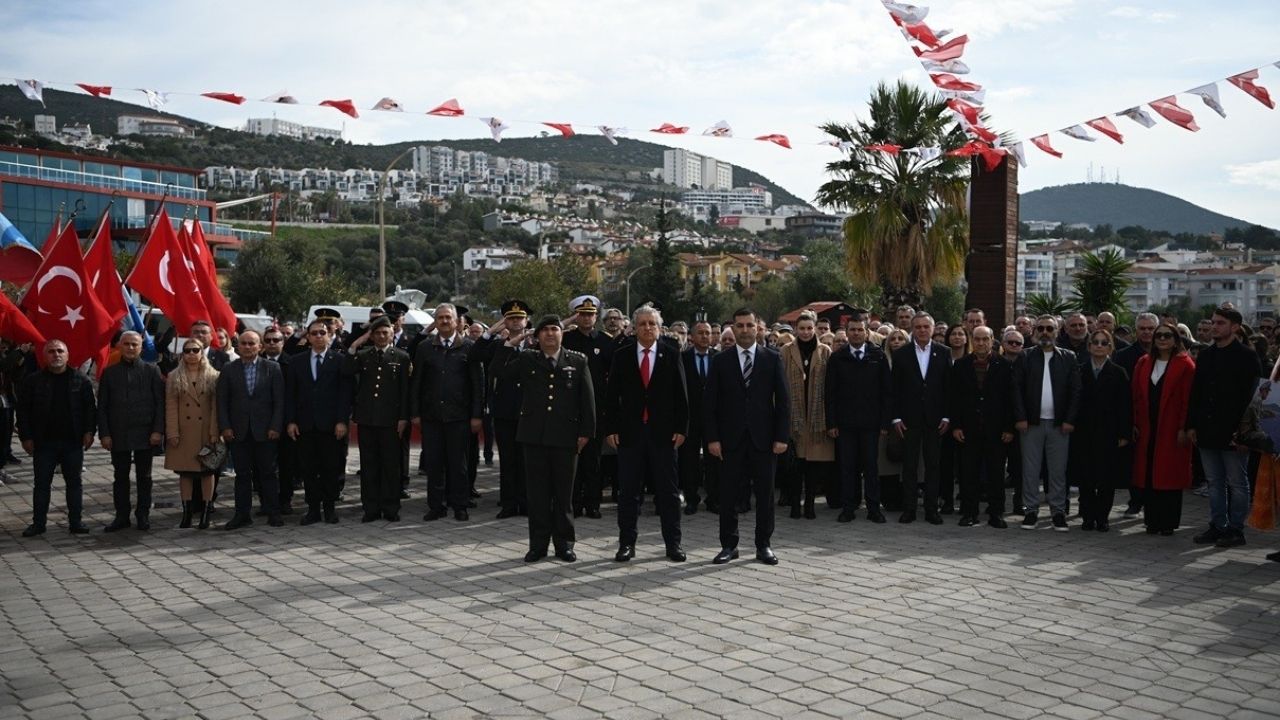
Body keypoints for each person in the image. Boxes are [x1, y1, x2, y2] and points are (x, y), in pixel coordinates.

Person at [495, 315, 596, 562]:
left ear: (562, 334)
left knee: (563, 496)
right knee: (537, 495)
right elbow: (499, 372)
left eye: (555, 329)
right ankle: (538, 545)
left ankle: (565, 545)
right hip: (534, 436)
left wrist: (586, 433)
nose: (550, 334)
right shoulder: (528, 358)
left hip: (565, 437)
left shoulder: (578, 360)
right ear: (537, 336)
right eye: (545, 330)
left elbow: (587, 400)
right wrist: (513, 342)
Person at [604, 305, 689, 562]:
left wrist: (681, 429)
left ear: (659, 327)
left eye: (652, 324)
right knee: (629, 492)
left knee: (668, 492)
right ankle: (626, 544)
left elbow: (681, 397)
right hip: (630, 435)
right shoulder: (622, 355)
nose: (647, 328)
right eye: (642, 324)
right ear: (634, 327)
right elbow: (611, 397)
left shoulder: (671, 354)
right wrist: (611, 429)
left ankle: (673, 545)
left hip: (663, 435)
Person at [706, 308, 790, 565]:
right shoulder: (721, 360)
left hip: (763, 439)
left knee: (765, 495)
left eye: (749, 325)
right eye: (740, 325)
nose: (744, 330)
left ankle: (763, 545)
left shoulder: (772, 358)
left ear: (757, 328)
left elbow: (783, 401)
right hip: (730, 440)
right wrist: (712, 438)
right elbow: (710, 404)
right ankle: (729, 546)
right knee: (729, 495)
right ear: (734, 328)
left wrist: (781, 436)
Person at [1189, 307, 1262, 548]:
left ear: (1235, 327)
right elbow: (1196, 393)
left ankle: (1236, 529)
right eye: (1213, 322)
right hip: (1207, 430)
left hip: (1235, 432)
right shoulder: (1207, 356)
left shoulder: (1247, 357)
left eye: (1220, 323)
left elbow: (1253, 399)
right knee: (1214, 481)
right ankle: (1217, 524)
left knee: (1237, 482)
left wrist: (1245, 433)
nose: (1214, 327)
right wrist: (1191, 425)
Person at [17, 340, 98, 537]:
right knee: (42, 484)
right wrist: (25, 437)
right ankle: (38, 523)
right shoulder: (33, 380)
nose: (56, 355)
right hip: (44, 442)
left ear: (67, 355)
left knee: (74, 483)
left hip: (72, 442)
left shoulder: (81, 380)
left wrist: (89, 432)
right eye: (52, 352)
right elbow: (23, 411)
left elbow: (90, 410)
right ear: (45, 356)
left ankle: (76, 522)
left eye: (60, 351)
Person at [411, 303, 483, 521]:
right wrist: (415, 412)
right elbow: (417, 383)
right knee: (434, 463)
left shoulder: (469, 347)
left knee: (458, 464)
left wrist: (477, 415)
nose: (444, 321)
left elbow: (478, 384)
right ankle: (436, 505)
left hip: (459, 416)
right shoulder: (425, 347)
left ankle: (459, 504)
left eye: (447, 318)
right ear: (436, 321)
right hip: (432, 416)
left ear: (456, 321)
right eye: (440, 318)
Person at [1012, 315, 1081, 531]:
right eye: (1040, 328)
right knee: (1030, 471)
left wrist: (1070, 420)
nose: (1045, 332)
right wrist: (1021, 418)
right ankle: (1031, 511)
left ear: (1057, 331)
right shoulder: (1025, 357)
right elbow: (1016, 390)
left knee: (1058, 471)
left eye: (1049, 328)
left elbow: (1076, 391)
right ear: (1034, 331)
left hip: (1059, 425)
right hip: (1031, 424)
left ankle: (1058, 512)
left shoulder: (1069, 357)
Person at [96, 331, 165, 532]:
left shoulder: (152, 371)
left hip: (145, 433)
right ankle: (121, 515)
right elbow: (102, 407)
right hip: (118, 434)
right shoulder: (109, 373)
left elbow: (160, 404)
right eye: (126, 344)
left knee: (145, 477)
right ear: (119, 346)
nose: (130, 348)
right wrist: (105, 433)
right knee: (120, 476)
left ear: (141, 347)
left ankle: (142, 514)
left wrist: (158, 431)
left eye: (134, 344)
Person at [216, 330, 285, 530]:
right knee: (242, 475)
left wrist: (275, 426)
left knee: (268, 474)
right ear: (238, 346)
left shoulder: (273, 368)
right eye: (244, 343)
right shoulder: (229, 369)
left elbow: (279, 401)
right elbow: (222, 401)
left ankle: (273, 512)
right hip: (238, 431)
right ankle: (242, 514)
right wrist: (225, 426)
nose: (247, 347)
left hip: (265, 431)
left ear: (260, 347)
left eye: (251, 344)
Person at [286, 319, 352, 525]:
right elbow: (290, 394)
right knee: (309, 469)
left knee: (330, 468)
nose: (318, 336)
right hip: (305, 425)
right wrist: (291, 421)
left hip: (331, 426)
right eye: (313, 333)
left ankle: (330, 509)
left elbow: (345, 394)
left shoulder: (339, 360)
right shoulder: (297, 361)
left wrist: (342, 421)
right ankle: (313, 509)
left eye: (322, 333)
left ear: (329, 335)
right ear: (307, 336)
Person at [1132, 322, 1196, 535]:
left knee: (1169, 475)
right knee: (1149, 473)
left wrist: (1184, 428)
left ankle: (1167, 523)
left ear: (1176, 339)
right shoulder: (1143, 362)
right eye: (1158, 335)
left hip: (1171, 429)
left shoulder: (1185, 365)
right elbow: (1135, 395)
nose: (1161, 339)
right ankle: (1152, 521)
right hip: (1147, 427)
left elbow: (1189, 400)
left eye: (1167, 335)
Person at [346, 315, 411, 522]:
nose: (382, 336)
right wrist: (355, 344)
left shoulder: (401, 357)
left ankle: (391, 507)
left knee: (391, 466)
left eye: (386, 332)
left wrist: (403, 418)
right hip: (367, 419)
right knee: (369, 465)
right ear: (372, 336)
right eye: (378, 333)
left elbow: (404, 391)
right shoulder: (364, 355)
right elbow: (346, 371)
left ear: (392, 334)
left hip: (391, 421)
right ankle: (371, 508)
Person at [825, 316, 891, 524]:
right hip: (845, 424)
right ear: (847, 331)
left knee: (871, 467)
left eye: (859, 330)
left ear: (866, 332)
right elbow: (830, 393)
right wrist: (832, 423)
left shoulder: (878, 356)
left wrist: (884, 423)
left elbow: (886, 393)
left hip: (871, 423)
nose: (856, 333)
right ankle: (848, 507)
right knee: (847, 467)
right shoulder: (837, 358)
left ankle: (873, 509)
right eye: (852, 330)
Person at [949, 326, 1015, 528]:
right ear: (971, 340)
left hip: (996, 430)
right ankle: (969, 513)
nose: (981, 343)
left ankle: (996, 514)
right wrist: (956, 426)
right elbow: (954, 400)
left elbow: (1010, 399)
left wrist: (1008, 428)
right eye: (977, 339)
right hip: (968, 429)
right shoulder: (960, 365)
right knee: (969, 474)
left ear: (992, 340)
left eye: (985, 339)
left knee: (996, 474)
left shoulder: (1004, 365)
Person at [890, 313, 950, 524]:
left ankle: (932, 509)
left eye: (926, 327)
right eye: (918, 327)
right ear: (912, 330)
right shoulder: (901, 354)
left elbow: (947, 388)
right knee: (910, 466)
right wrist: (896, 418)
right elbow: (894, 389)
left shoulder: (944, 353)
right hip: (909, 419)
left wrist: (946, 415)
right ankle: (910, 509)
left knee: (933, 466)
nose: (922, 330)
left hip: (935, 419)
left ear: (933, 329)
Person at [1070, 329, 1132, 532]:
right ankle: (1087, 516)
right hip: (1083, 432)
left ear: (1110, 347)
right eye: (1095, 342)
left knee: (1107, 478)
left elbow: (1125, 406)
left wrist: (1124, 433)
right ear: (1089, 347)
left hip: (1109, 432)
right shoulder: (1079, 370)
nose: (1099, 345)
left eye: (1104, 342)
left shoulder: (1119, 372)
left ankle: (1102, 517)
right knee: (1086, 476)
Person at [561, 294, 617, 518]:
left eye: (590, 314)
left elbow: (614, 375)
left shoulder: (605, 341)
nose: (586, 318)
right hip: (570, 406)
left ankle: (593, 503)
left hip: (596, 406)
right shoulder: (567, 339)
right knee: (573, 458)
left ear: (596, 317)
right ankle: (573, 502)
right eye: (582, 314)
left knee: (593, 459)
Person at [477, 300, 533, 519]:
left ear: (527, 321)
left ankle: (527, 502)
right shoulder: (498, 345)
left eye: (520, 318)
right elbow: (476, 355)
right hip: (505, 411)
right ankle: (509, 503)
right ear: (504, 322)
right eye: (510, 318)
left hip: (530, 411)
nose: (516, 322)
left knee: (527, 461)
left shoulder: (535, 343)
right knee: (508, 460)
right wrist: (490, 332)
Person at [781, 311, 835, 519]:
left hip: (816, 415)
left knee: (813, 465)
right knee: (796, 465)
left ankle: (810, 504)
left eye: (809, 328)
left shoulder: (825, 351)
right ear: (796, 329)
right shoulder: (786, 351)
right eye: (801, 328)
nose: (805, 332)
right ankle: (795, 504)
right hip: (795, 414)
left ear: (815, 329)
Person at [164, 338, 221, 530]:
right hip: (184, 433)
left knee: (207, 472)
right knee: (185, 473)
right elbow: (170, 407)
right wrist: (172, 432)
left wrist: (215, 431)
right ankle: (187, 513)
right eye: (187, 350)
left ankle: (205, 512)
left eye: (195, 350)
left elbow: (216, 407)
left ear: (202, 352)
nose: (191, 354)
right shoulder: (174, 376)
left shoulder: (213, 376)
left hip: (205, 432)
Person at [680, 320, 718, 514]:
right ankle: (691, 498)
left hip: (713, 418)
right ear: (692, 337)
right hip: (690, 418)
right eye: (701, 333)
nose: (705, 336)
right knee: (689, 460)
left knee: (714, 460)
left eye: (708, 333)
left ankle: (713, 498)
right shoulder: (683, 358)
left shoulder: (719, 358)